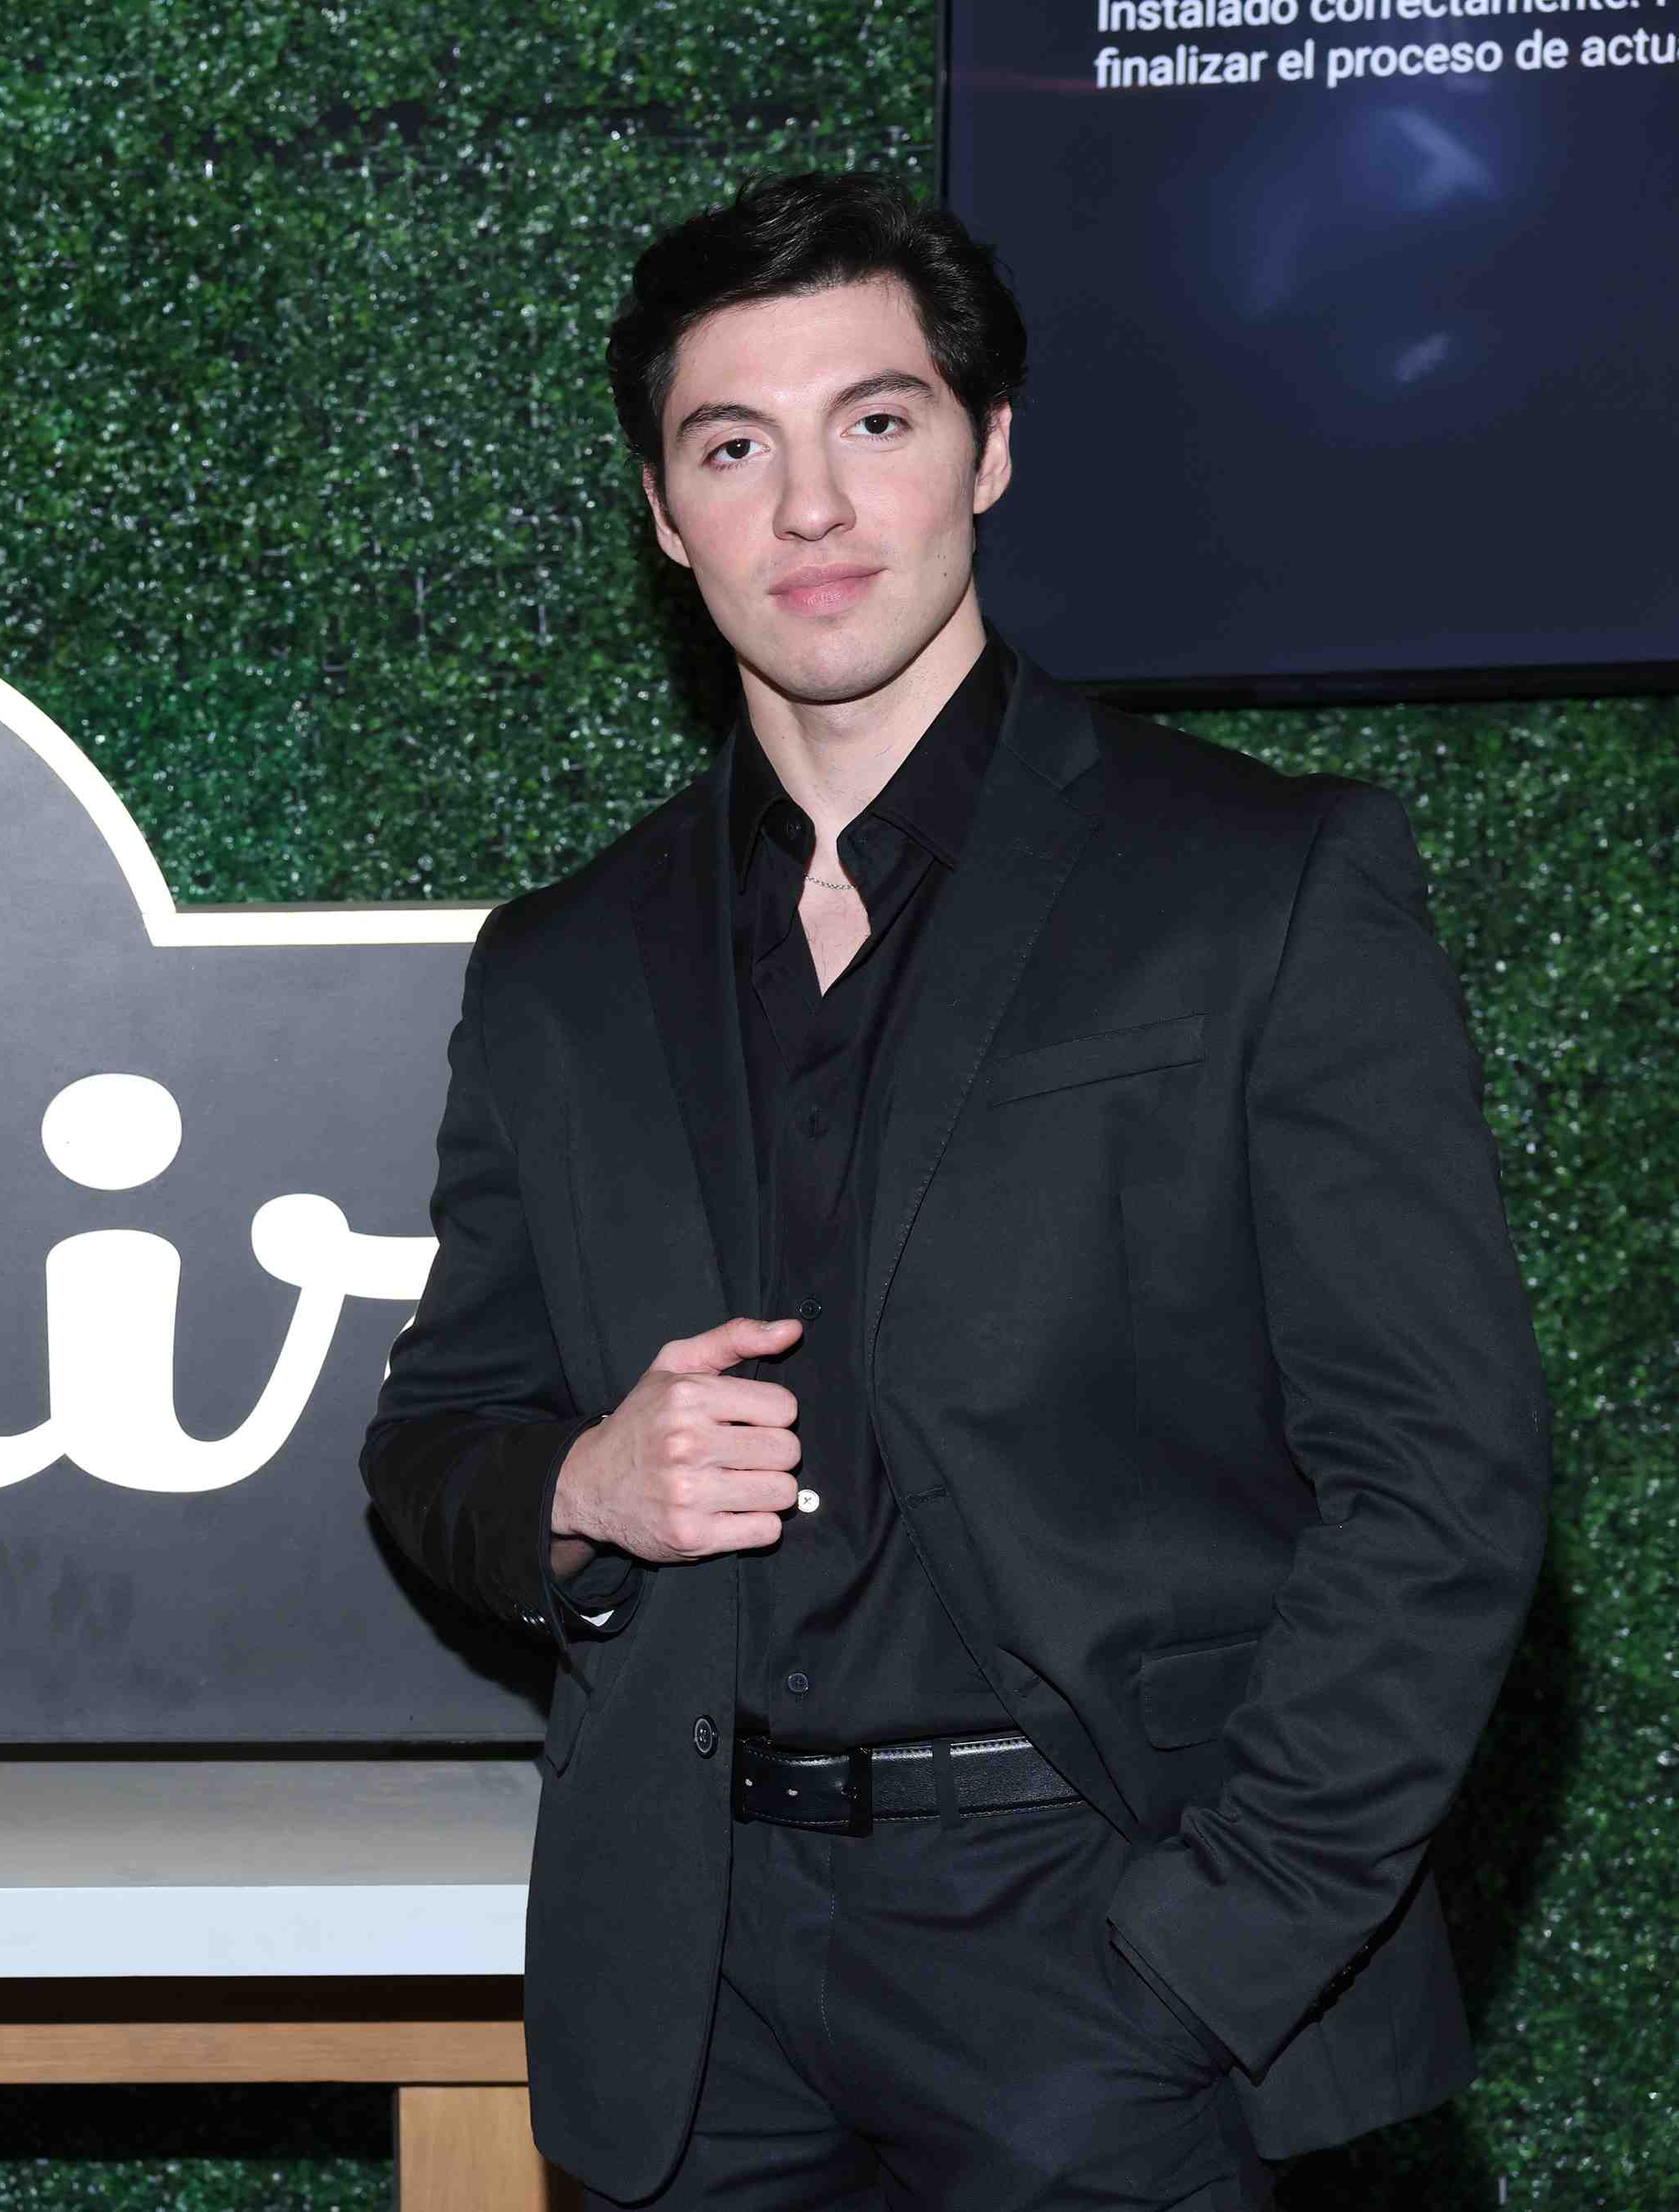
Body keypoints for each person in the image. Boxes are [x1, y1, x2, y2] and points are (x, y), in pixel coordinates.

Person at [359, 171, 1550, 2211]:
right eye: (732, 448)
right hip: (697, 1987)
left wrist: (1210, 1950)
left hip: (1098, 1966)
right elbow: (434, 1438)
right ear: (663, 514)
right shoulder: (561, 965)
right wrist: (581, 1483)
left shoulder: (1254, 883)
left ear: (987, 450)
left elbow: (1442, 1480)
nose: (809, 507)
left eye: (875, 420)